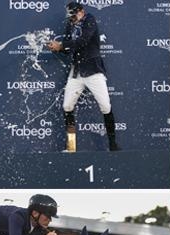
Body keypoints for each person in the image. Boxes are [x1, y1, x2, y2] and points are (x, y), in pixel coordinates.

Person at [47, 2, 119, 152]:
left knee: (105, 106)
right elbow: (68, 49)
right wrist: (56, 48)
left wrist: (62, 45)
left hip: (93, 70)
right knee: (67, 106)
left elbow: (83, 41)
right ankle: (71, 146)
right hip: (77, 71)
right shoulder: (70, 24)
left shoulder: (90, 19)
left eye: (74, 15)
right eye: (70, 16)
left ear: (82, 11)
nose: (72, 18)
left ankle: (113, 144)